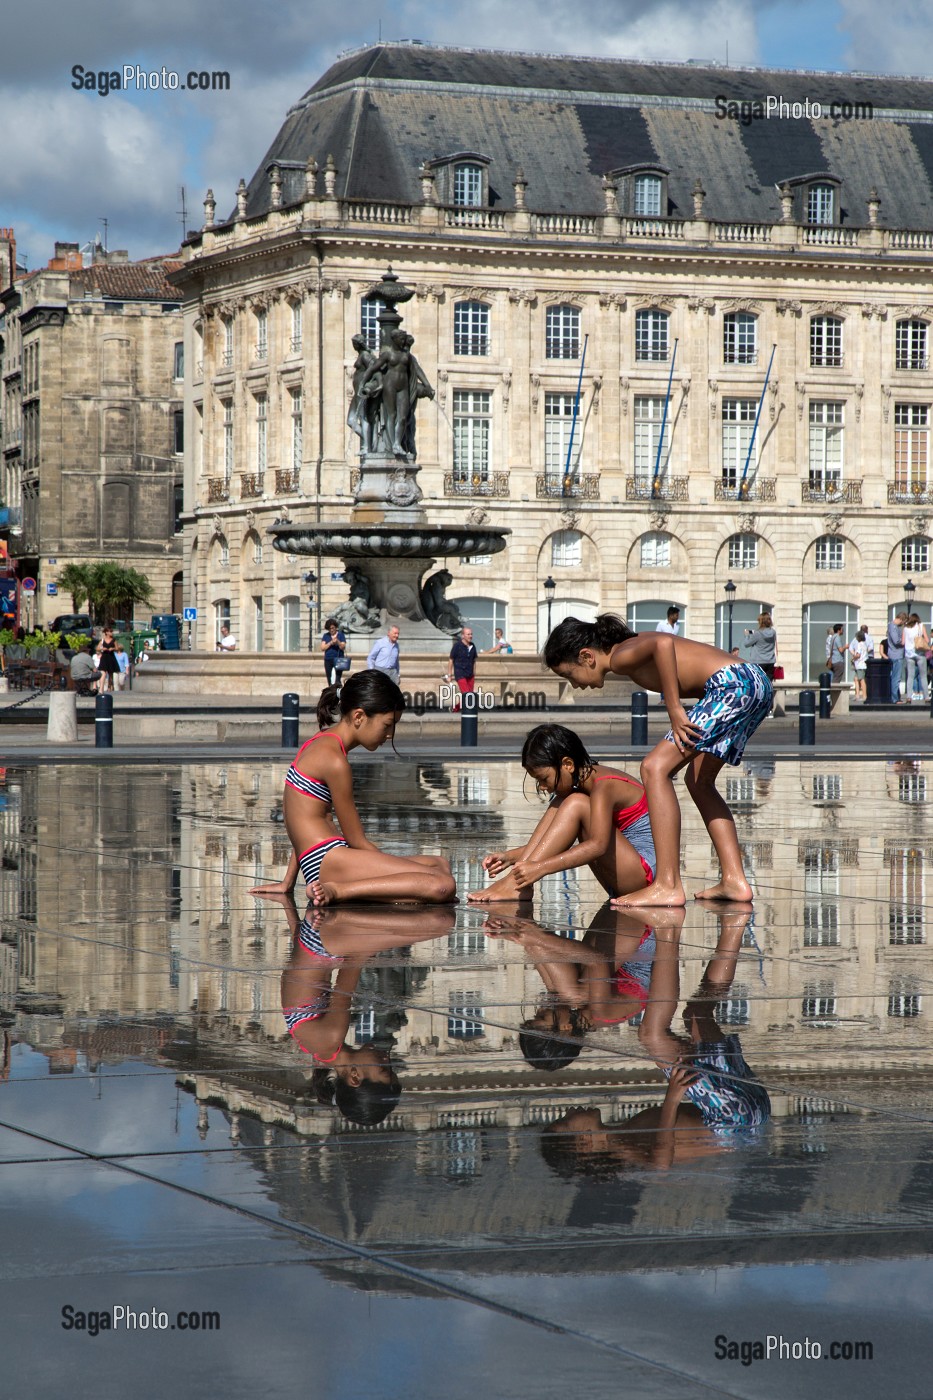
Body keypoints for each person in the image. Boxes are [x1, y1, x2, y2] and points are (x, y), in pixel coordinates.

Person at [543, 613, 772, 906]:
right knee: (699, 782)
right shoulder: (627, 648)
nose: (574, 685)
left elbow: (664, 645)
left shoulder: (620, 655)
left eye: (569, 675)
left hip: (733, 686)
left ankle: (667, 884)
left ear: (586, 656)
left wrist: (675, 709)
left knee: (654, 768)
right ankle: (734, 880)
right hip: (753, 683)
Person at [250, 669, 456, 905]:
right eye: (387, 724)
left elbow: (300, 818)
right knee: (442, 884)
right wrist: (396, 871)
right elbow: (356, 840)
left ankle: (358, 888)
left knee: (440, 864)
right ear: (359, 716)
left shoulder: (319, 741)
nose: (389, 735)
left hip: (320, 856)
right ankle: (338, 891)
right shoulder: (335, 762)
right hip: (326, 860)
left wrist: (287, 883)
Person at [276, 898, 455, 1125]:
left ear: (354, 1077)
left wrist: (388, 933)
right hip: (318, 936)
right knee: (424, 907)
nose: (386, 1057)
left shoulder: (330, 1040)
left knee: (440, 920)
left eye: (383, 1068)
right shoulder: (320, 1052)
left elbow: (354, 962)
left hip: (325, 934)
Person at [469, 723, 654, 902]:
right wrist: (511, 857)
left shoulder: (604, 786)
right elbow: (555, 841)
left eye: (544, 779)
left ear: (568, 764)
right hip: (625, 874)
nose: (542, 787)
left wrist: (541, 868)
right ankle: (516, 881)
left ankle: (515, 884)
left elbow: (598, 845)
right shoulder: (580, 787)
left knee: (575, 803)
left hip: (643, 875)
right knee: (565, 800)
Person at [446, 625, 477, 708]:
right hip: (460, 673)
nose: (470, 636)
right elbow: (451, 660)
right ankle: (467, 714)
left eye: (471, 634)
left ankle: (455, 708)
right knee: (466, 694)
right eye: (468, 634)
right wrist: (449, 675)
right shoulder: (457, 646)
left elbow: (474, 660)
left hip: (470, 674)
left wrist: (474, 673)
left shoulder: (473, 646)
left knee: (469, 695)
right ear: (463, 635)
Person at [904, 613, 930, 702]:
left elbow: (903, 642)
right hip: (919, 653)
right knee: (923, 676)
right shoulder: (921, 626)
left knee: (910, 676)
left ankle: (908, 697)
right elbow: (927, 640)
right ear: (918, 619)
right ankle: (926, 697)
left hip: (908, 654)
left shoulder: (905, 628)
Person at [883, 612, 906, 703]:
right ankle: (894, 698)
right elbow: (896, 641)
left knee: (895, 677)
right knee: (896, 678)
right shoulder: (893, 626)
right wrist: (904, 641)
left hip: (895, 654)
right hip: (896, 655)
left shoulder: (893, 627)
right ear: (901, 619)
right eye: (903, 622)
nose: (903, 624)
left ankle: (896, 697)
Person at [320, 618, 347, 686]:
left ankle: (338, 693)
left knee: (337, 680)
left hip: (339, 659)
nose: (331, 630)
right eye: (330, 628)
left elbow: (343, 647)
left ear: (335, 627)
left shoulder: (341, 635)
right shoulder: (326, 636)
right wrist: (331, 643)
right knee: (329, 679)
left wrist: (338, 642)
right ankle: (331, 693)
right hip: (328, 659)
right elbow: (322, 648)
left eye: (333, 628)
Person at [95, 627, 120, 692]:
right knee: (103, 672)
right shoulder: (102, 640)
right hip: (104, 657)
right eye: (110, 632)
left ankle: (110, 686)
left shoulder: (114, 640)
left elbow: (117, 648)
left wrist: (113, 649)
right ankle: (101, 687)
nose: (111, 633)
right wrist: (102, 649)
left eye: (112, 632)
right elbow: (97, 648)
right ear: (106, 632)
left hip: (111, 656)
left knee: (111, 673)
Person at [848, 628, 868, 702]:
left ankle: (864, 696)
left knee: (862, 680)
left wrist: (853, 658)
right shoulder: (864, 644)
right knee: (856, 679)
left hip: (860, 664)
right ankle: (857, 695)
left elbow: (858, 655)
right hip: (861, 664)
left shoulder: (859, 645)